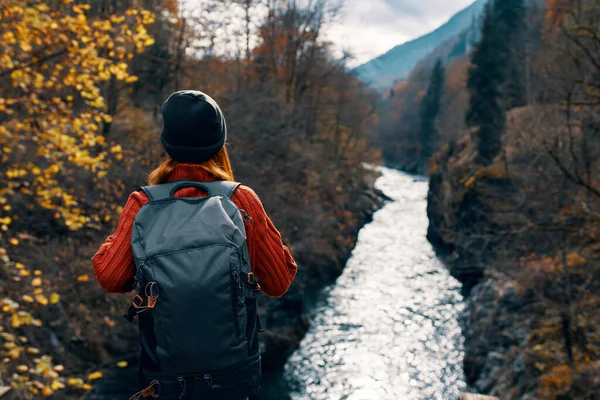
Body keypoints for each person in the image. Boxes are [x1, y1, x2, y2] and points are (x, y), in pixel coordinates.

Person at [92, 90, 297, 399]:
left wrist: (125, 233)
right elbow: (279, 282)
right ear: (219, 142)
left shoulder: (143, 202)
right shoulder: (241, 200)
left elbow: (109, 276)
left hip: (164, 375)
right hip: (233, 376)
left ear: (166, 142)